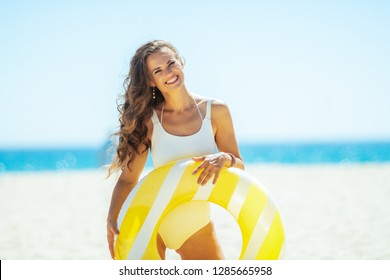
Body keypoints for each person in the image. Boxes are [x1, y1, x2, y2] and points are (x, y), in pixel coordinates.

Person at [106, 40, 244, 260]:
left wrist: (225, 158)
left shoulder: (216, 111)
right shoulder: (148, 121)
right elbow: (128, 179)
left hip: (195, 224)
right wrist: (112, 218)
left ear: (181, 62)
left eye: (171, 63)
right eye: (158, 71)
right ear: (151, 80)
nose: (168, 73)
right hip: (151, 221)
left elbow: (239, 164)